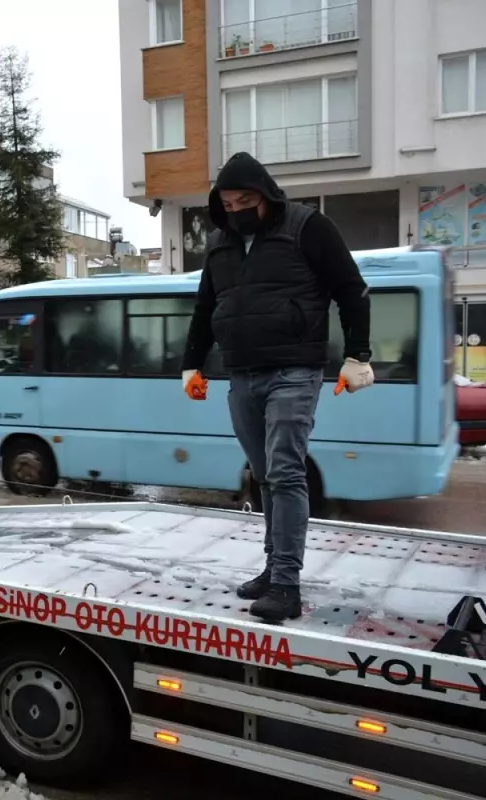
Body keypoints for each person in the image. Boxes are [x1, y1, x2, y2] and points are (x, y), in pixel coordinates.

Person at [180, 152, 375, 622]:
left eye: (247, 199)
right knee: (263, 474)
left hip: (294, 368)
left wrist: (357, 356)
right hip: (241, 373)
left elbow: (352, 289)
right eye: (228, 203)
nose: (238, 209)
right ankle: (273, 569)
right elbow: (207, 307)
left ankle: (287, 584)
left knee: (287, 472)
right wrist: (191, 366)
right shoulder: (221, 244)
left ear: (267, 195)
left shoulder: (308, 227)